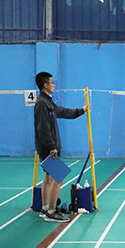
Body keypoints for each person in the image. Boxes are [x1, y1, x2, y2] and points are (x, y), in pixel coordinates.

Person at [34, 72, 86, 223]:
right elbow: (42, 128)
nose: (54, 85)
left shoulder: (48, 102)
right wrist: (51, 146)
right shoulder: (42, 103)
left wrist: (81, 110)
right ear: (45, 85)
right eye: (52, 82)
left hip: (48, 146)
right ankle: (51, 212)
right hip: (47, 147)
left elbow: (63, 112)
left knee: (48, 177)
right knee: (58, 177)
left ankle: (45, 209)